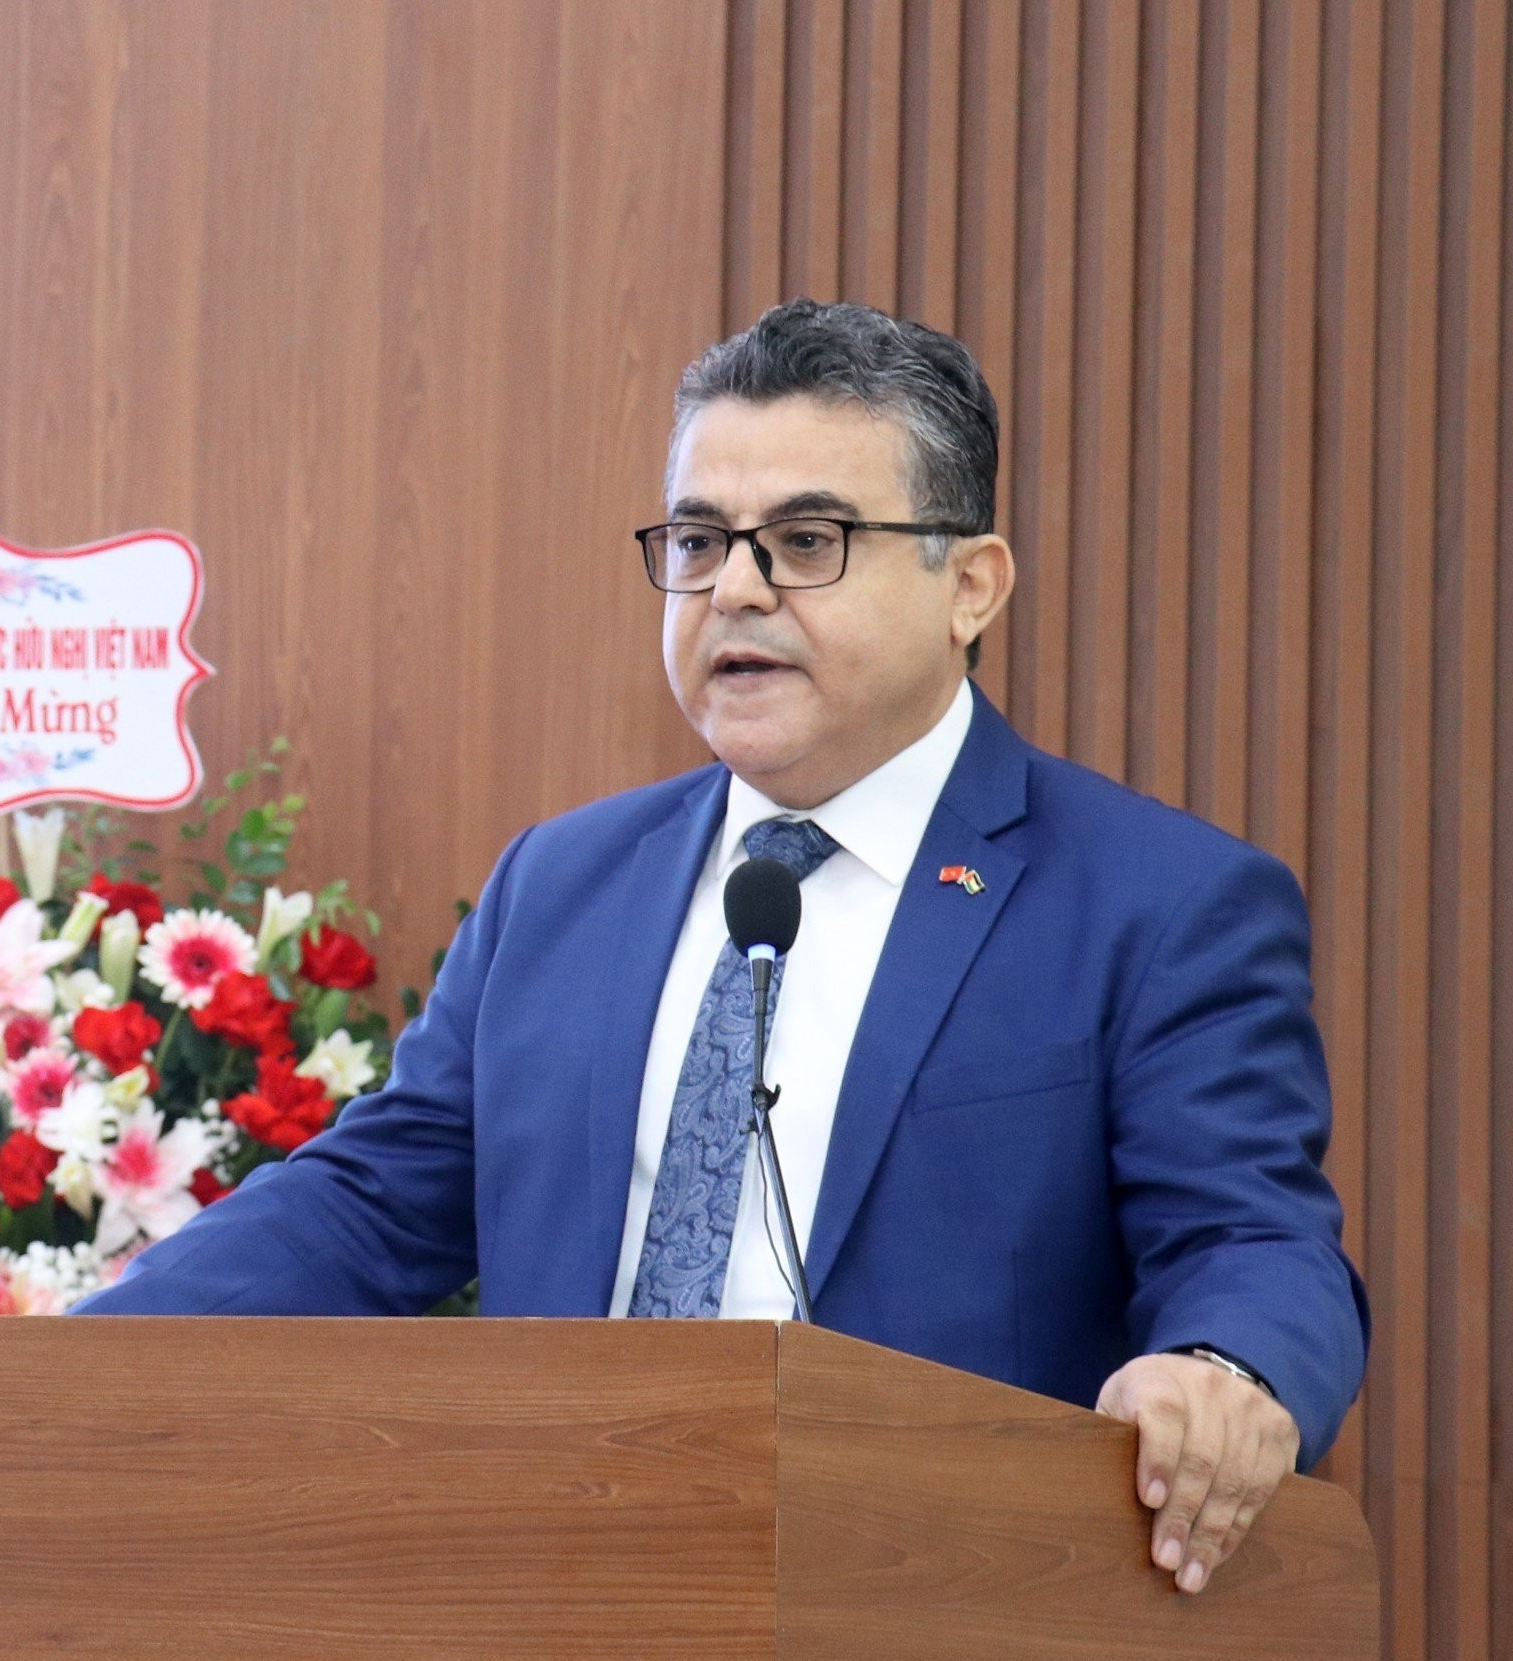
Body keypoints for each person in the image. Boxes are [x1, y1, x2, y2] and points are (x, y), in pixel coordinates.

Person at [74, 298, 1369, 1596]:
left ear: (969, 585)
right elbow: (370, 1203)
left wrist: (1226, 1368)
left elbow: (1252, 1239)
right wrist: (70, 1362)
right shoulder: (562, 885)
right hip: (554, 1585)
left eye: (806, 541)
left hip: (943, 1591)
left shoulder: (1155, 903)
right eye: (699, 540)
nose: (735, 588)